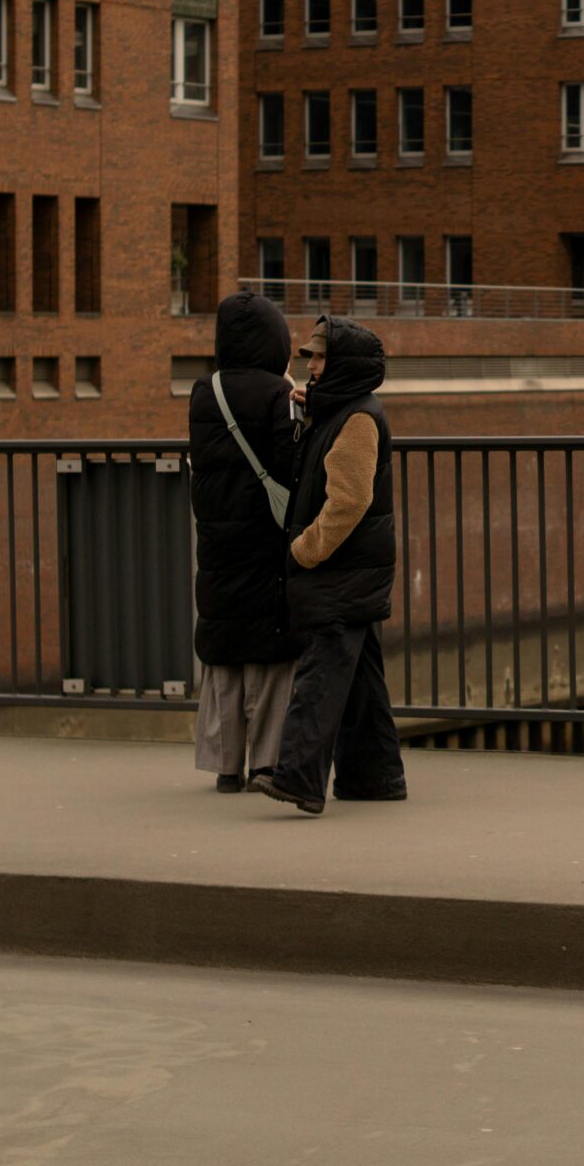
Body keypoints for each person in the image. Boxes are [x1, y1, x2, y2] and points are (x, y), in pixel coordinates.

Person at [256, 315, 408, 816]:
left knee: (320, 675)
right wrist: (313, 409)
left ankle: (299, 780)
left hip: (341, 570)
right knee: (361, 680)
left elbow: (348, 500)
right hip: (354, 570)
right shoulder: (344, 412)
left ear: (342, 364)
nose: (312, 367)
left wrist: (305, 549)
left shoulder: (359, 420)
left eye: (320, 358)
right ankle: (375, 777)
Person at [188, 290, 301, 792]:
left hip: (217, 539)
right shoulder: (277, 394)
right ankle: (266, 763)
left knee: (225, 649)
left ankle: (225, 766)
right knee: (271, 652)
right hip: (265, 540)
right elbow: (288, 464)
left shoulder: (203, 391)